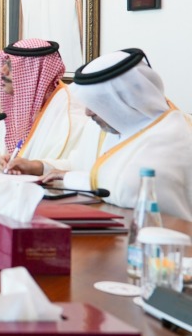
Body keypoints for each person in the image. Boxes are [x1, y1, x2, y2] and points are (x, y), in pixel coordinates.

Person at [10, 49, 192, 220]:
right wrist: (39, 167)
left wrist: (72, 178)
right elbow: (80, 164)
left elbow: (131, 190)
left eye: (96, 104)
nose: (88, 113)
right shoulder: (112, 126)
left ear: (121, 100)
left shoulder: (172, 134)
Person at [0, 39, 86, 167]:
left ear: (33, 72)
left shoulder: (71, 114)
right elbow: (4, 152)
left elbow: (78, 165)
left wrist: (37, 167)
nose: (2, 72)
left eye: (10, 66)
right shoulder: (15, 107)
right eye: (3, 64)